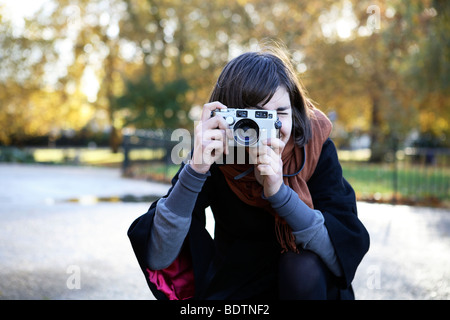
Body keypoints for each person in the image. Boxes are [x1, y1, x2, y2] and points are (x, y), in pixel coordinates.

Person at [128, 45, 370, 300]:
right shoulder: (215, 151)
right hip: (237, 282)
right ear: (226, 115)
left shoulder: (311, 146)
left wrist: (279, 193)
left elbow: (338, 254)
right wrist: (195, 170)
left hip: (310, 284)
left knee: (301, 266)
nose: (271, 127)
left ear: (296, 112)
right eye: (253, 116)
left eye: (280, 114)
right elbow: (159, 256)